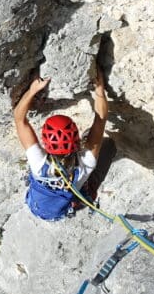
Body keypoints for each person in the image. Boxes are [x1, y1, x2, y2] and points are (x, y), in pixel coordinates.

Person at [14, 64, 110, 221]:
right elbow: (100, 120)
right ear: (76, 139)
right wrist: (99, 88)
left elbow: (19, 118)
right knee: (108, 146)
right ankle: (87, 190)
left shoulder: (39, 163)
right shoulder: (86, 163)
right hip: (62, 192)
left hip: (40, 204)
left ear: (45, 142)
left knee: (94, 146)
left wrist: (32, 91)